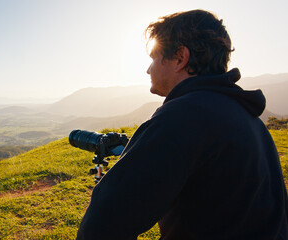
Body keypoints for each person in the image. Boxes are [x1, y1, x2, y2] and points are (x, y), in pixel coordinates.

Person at [76, 9, 288, 240]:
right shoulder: (250, 118)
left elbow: (103, 222)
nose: (148, 69)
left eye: (153, 58)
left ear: (180, 57)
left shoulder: (183, 117)